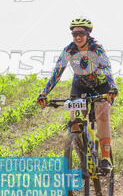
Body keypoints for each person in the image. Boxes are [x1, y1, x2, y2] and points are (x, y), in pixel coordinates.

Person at [37, 18, 117, 172]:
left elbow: (107, 68)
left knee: (102, 114)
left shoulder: (96, 48)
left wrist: (112, 87)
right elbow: (56, 73)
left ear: (88, 34)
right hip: (80, 86)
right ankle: (82, 158)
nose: (77, 37)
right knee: (74, 120)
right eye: (74, 34)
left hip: (101, 86)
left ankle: (106, 158)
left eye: (81, 33)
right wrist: (44, 93)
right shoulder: (69, 50)